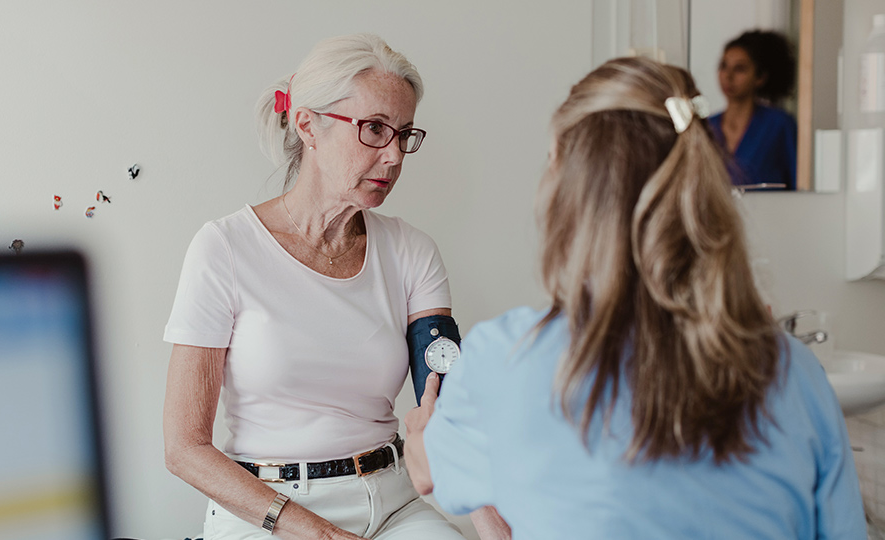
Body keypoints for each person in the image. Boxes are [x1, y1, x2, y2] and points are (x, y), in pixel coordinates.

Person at [404, 57, 867, 539]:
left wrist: (423, 429)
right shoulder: (791, 371)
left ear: (565, 189)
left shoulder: (506, 357)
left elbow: (427, 472)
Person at [163, 33, 469, 540]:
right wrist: (318, 533)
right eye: (374, 129)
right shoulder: (224, 248)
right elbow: (183, 448)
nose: (394, 157)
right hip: (267, 511)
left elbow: (444, 399)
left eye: (404, 134)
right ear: (307, 123)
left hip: (392, 504)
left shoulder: (412, 251)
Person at [709, 30, 798, 189]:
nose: (728, 76)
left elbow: (797, 180)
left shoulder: (779, 125)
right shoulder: (707, 127)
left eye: (739, 69)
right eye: (724, 66)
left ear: (760, 77)